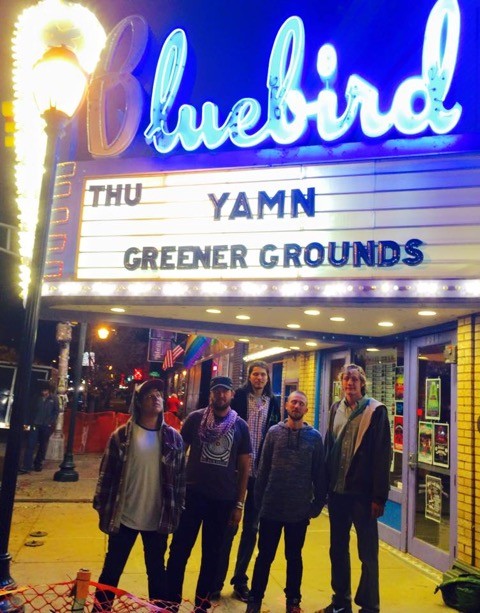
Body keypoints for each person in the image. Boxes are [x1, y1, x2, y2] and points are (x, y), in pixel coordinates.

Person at [92, 379, 185, 611]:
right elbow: (106, 475)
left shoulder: (174, 438)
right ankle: (100, 609)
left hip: (157, 520)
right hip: (124, 518)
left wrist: (178, 510)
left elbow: (180, 479)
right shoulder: (121, 436)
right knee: (111, 571)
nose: (156, 398)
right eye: (149, 395)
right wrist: (102, 508)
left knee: (157, 574)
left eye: (158, 394)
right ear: (139, 403)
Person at [165, 375, 252, 612]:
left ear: (232, 394)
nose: (221, 395)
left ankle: (201, 606)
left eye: (225, 391)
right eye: (217, 391)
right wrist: (173, 489)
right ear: (211, 394)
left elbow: (244, 467)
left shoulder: (240, 426)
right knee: (178, 551)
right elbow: (178, 455)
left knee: (211, 557)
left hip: (222, 502)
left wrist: (239, 504)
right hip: (191, 497)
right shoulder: (195, 419)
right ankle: (170, 603)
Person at [317, 364, 391, 613]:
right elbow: (328, 447)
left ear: (362, 383)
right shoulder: (335, 408)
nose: (350, 383)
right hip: (337, 493)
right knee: (337, 549)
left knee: (367, 553)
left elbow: (382, 456)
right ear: (341, 383)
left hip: (363, 496)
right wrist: (324, 487)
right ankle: (341, 602)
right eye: (346, 379)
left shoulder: (376, 411)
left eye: (355, 379)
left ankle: (370, 606)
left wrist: (379, 496)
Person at [246, 390, 326, 613]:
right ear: (286, 406)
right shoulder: (274, 433)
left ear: (306, 409)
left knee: (294, 558)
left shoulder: (315, 438)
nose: (297, 406)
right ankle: (254, 600)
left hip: (298, 512)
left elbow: (320, 475)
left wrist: (316, 506)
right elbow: (262, 470)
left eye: (301, 403)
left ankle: (293, 601)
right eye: (293, 402)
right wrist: (259, 503)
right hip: (271, 509)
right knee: (264, 557)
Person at [213, 360, 281, 602]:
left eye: (263, 375)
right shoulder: (239, 398)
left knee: (251, 529)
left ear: (267, 378)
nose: (259, 378)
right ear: (249, 377)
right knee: (228, 528)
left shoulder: (273, 403)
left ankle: (240, 580)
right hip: (235, 473)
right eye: (255, 374)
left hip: (260, 475)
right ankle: (215, 581)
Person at [19, 380, 59, 473]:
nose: (43, 392)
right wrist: (29, 422)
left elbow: (56, 411)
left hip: (46, 425)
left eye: (45, 390)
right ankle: (26, 465)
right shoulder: (36, 397)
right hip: (35, 424)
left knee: (42, 445)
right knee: (30, 445)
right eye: (42, 390)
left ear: (48, 390)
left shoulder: (54, 399)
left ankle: (38, 464)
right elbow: (31, 410)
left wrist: (50, 422)